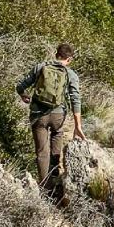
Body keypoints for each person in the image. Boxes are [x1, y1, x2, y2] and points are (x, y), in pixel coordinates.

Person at [16, 43, 86, 197]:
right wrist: (78, 125)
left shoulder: (41, 67)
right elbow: (76, 99)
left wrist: (23, 94)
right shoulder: (70, 74)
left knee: (42, 152)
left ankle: (45, 189)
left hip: (38, 115)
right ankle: (55, 183)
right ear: (69, 59)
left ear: (56, 54)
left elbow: (21, 85)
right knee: (56, 143)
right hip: (58, 116)